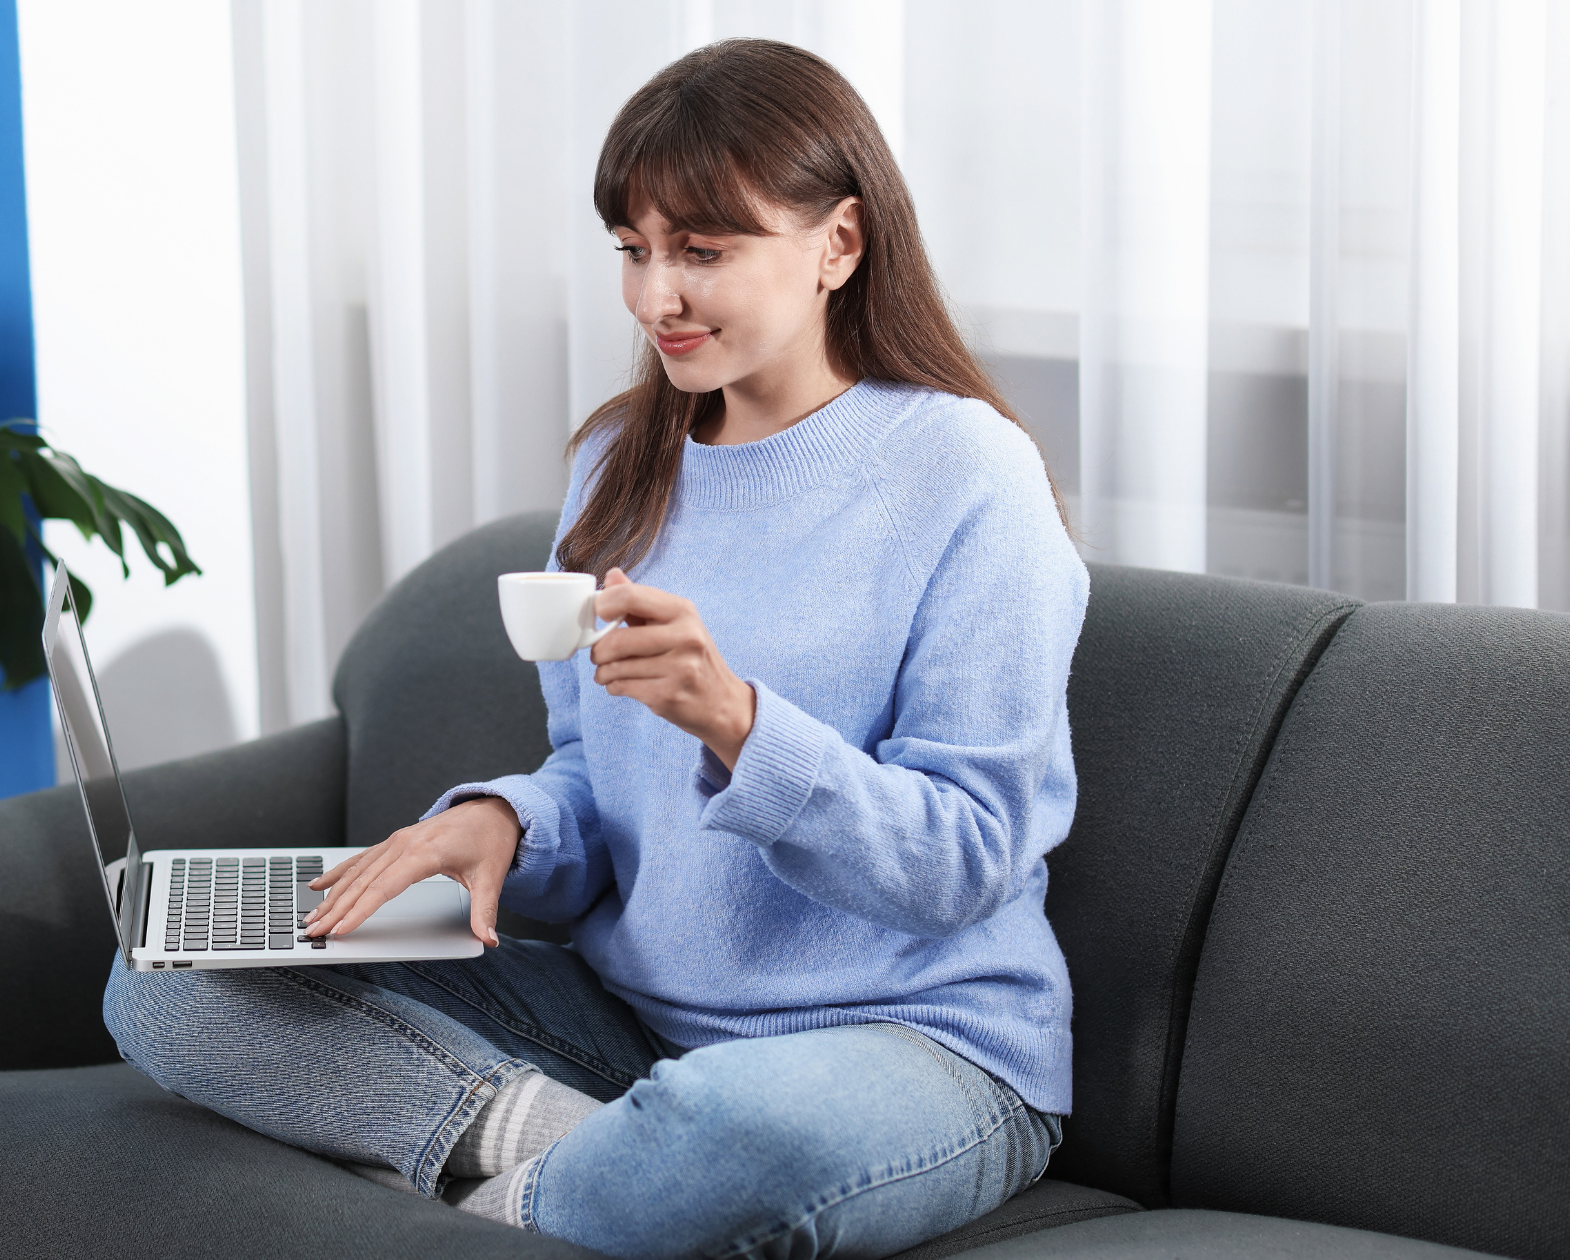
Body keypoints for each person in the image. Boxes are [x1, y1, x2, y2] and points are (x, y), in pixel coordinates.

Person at [104, 37, 1085, 1260]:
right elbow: (593, 783)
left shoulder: (965, 475)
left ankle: (518, 1199)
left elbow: (967, 860)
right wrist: (506, 827)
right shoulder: (620, 461)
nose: (653, 298)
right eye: (633, 251)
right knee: (169, 982)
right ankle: (568, 1151)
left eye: (702, 252)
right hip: (629, 1027)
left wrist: (737, 723)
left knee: (733, 1133)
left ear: (837, 243)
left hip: (913, 1045)